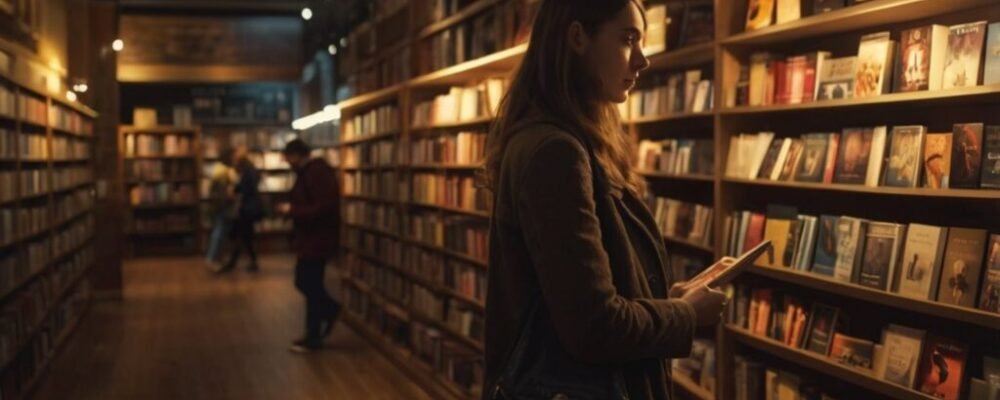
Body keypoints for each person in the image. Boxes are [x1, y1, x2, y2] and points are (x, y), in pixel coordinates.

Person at [481, 1, 728, 399]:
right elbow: (593, 326)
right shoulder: (555, 152)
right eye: (628, 39)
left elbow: (588, 293)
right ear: (578, 37)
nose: (643, 60)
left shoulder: (564, 141)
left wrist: (664, 302)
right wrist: (684, 315)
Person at [278, 139, 342, 353]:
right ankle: (313, 333)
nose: (287, 163)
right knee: (309, 283)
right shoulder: (310, 172)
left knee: (307, 282)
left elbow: (324, 206)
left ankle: (328, 314)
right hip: (311, 238)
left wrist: (293, 211)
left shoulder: (316, 173)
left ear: (296, 155)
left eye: (288, 158)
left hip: (317, 239)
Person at [219, 148, 264, 273]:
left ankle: (233, 262)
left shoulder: (248, 172)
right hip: (247, 208)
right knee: (244, 235)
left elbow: (246, 189)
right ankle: (244, 261)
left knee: (242, 235)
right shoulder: (249, 171)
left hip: (247, 209)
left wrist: (234, 191)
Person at [205, 148, 238, 268]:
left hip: (219, 206)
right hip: (222, 206)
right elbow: (223, 192)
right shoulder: (224, 172)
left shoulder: (218, 170)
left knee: (220, 232)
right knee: (219, 232)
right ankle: (213, 258)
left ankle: (215, 258)